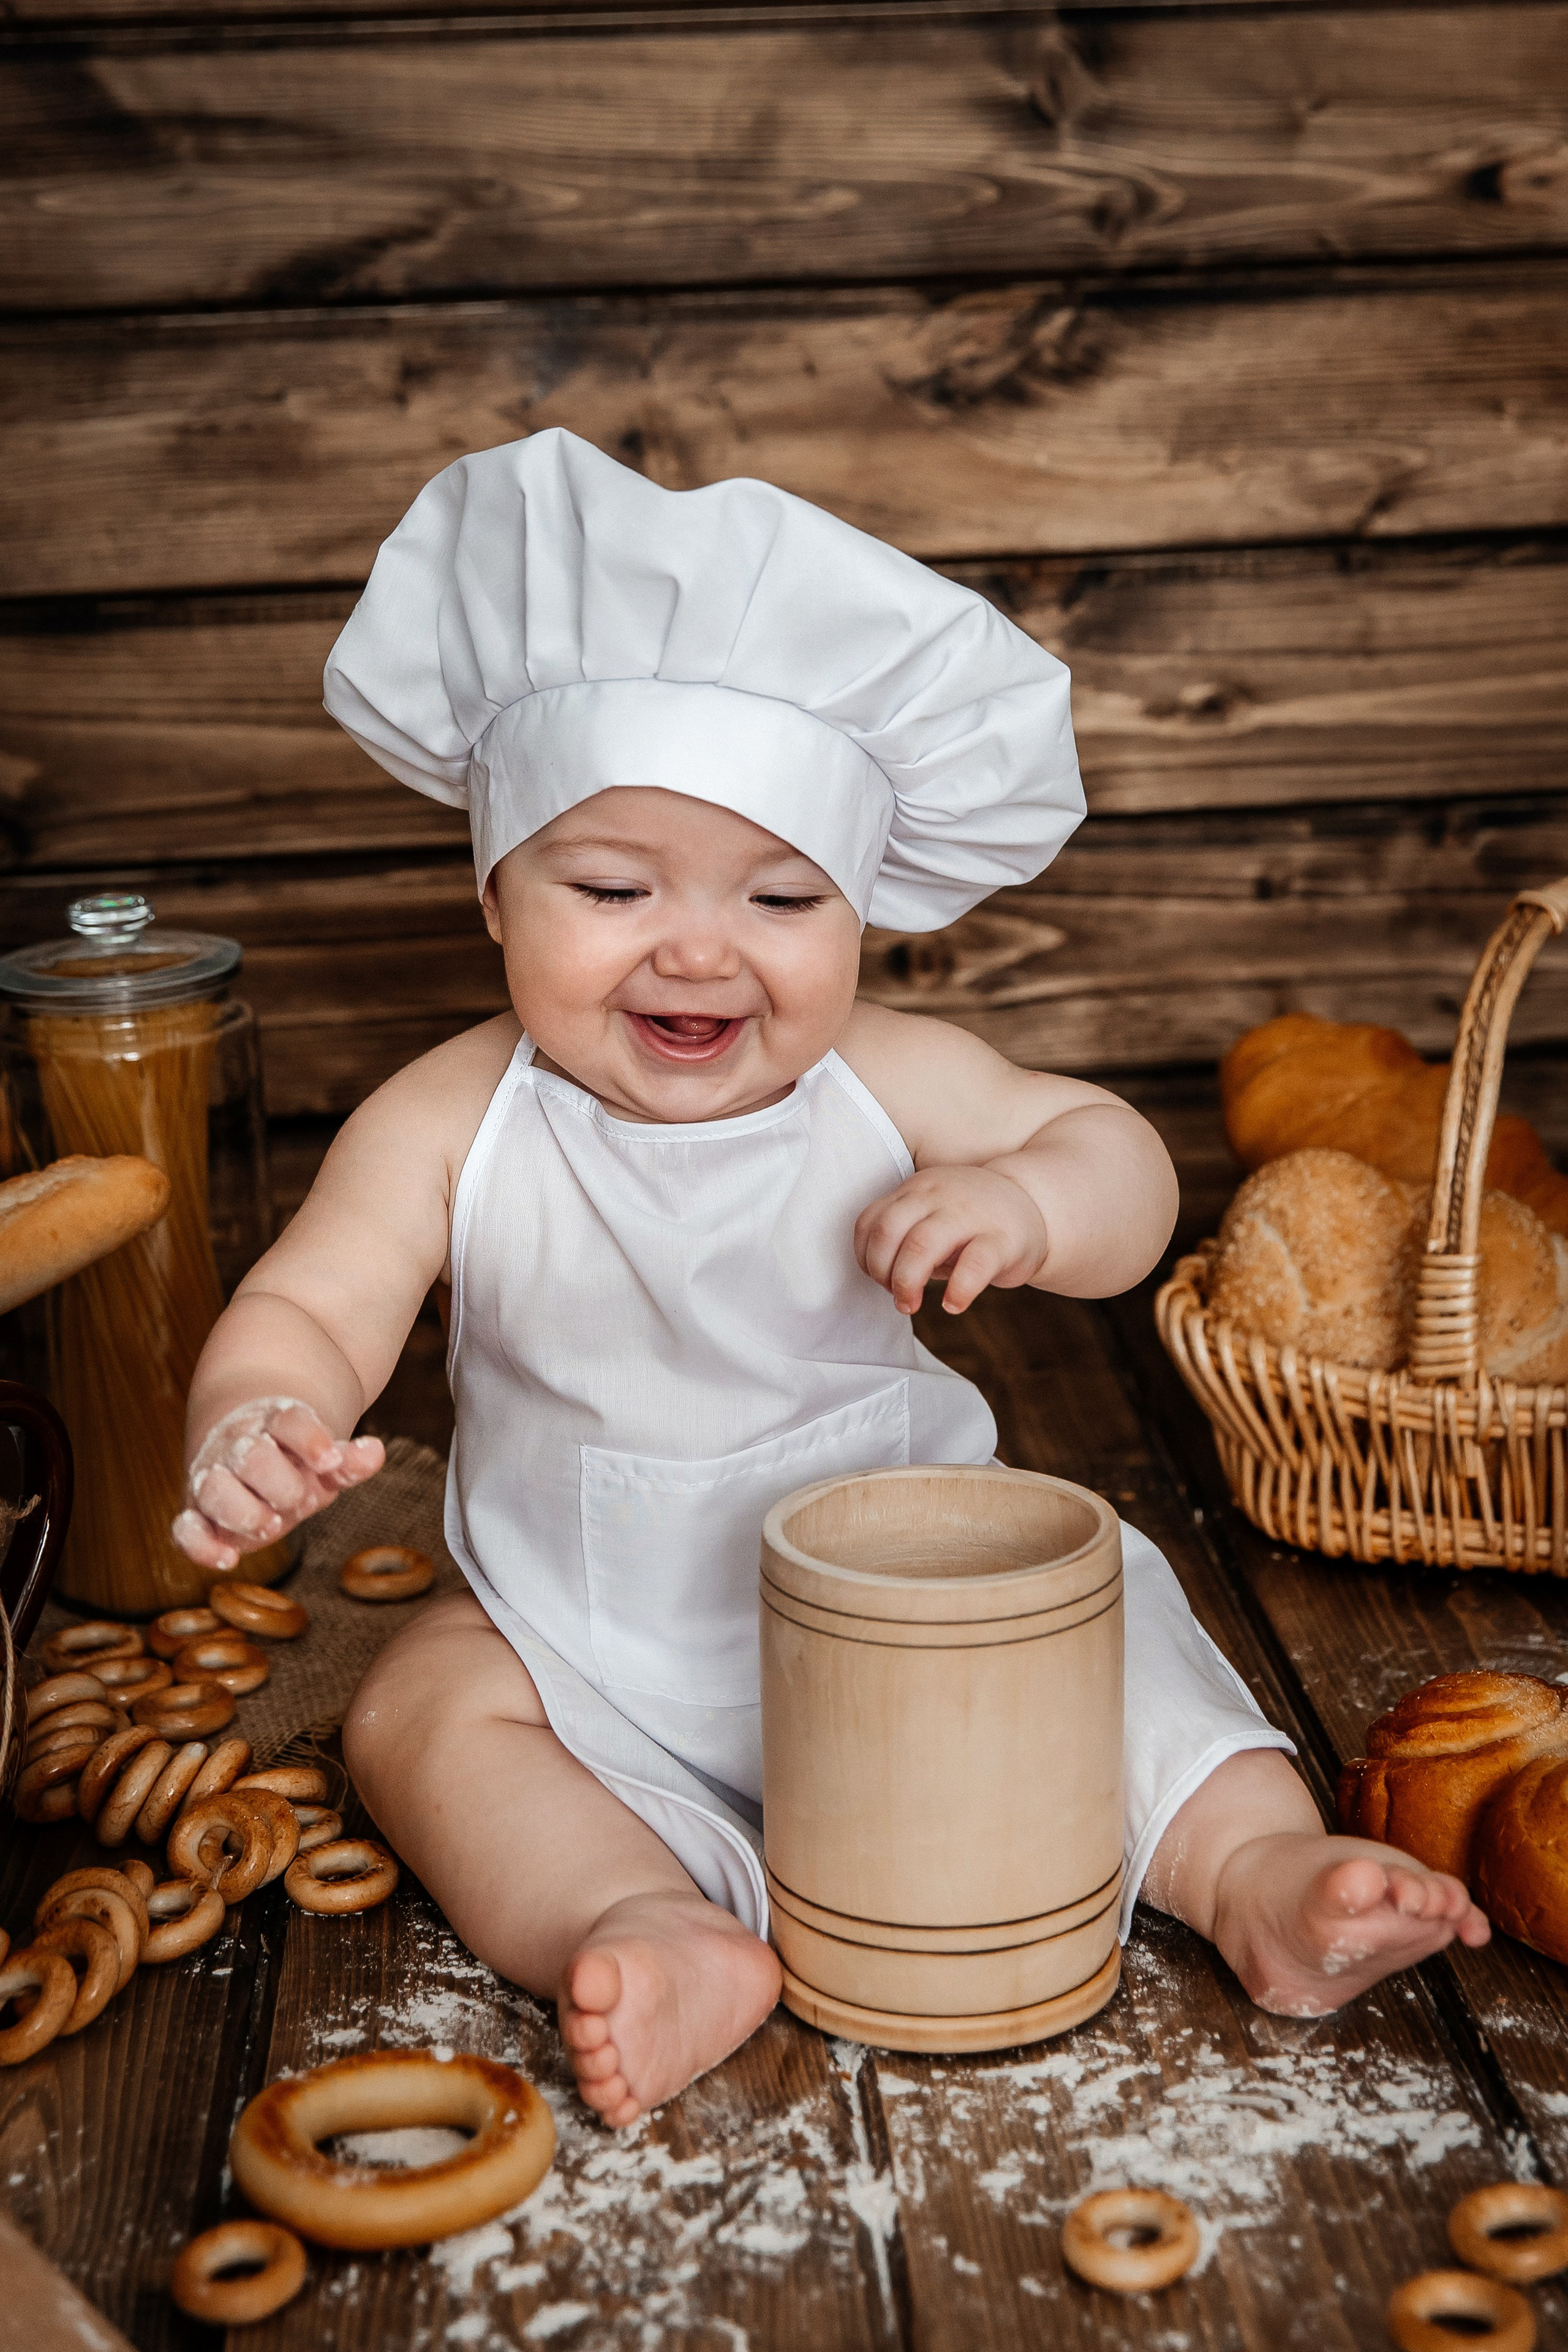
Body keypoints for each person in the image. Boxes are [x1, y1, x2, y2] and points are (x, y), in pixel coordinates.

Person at [173, 431, 1489, 2130]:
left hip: (926, 1596)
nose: (700, 946)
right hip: (593, 1635)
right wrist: (260, 1413)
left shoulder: (891, 1076)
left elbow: (1130, 1168)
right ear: (490, 885)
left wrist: (1027, 1199)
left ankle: (1252, 1871)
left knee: (1117, 1629)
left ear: (861, 907)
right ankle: (638, 1918)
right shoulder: (450, 1118)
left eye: (782, 895)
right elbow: (312, 1302)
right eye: (611, 886)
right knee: (422, 1709)